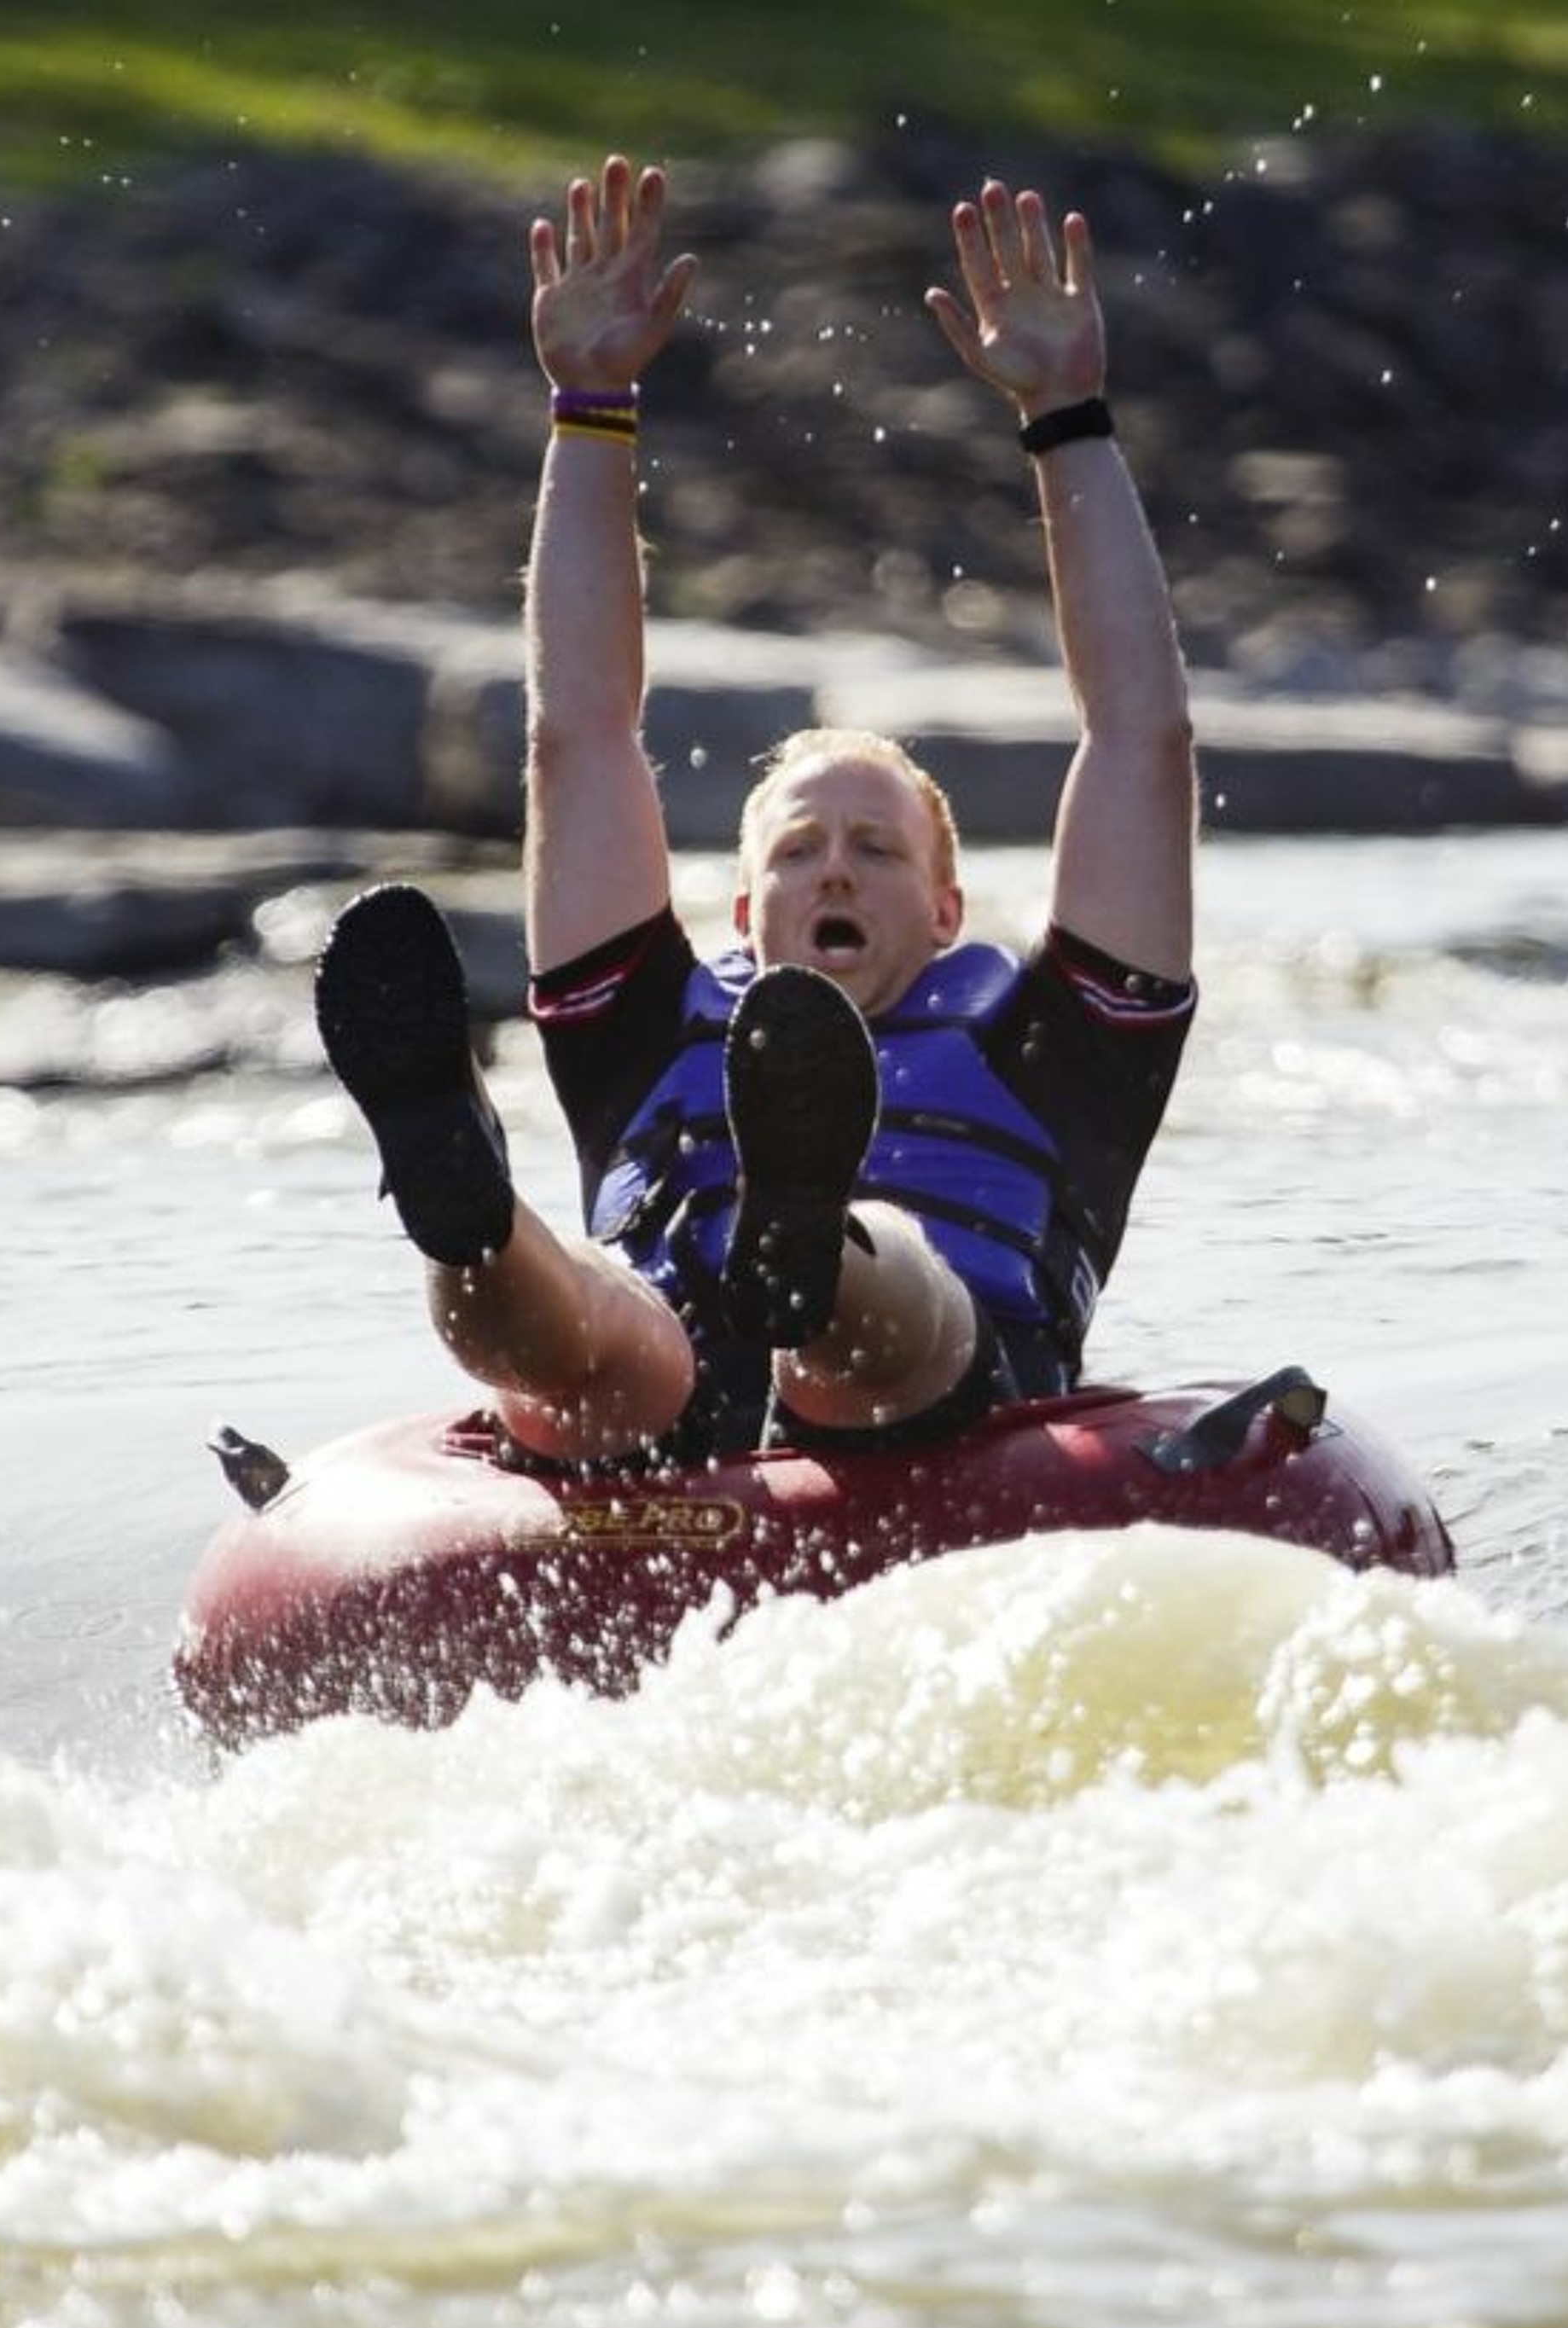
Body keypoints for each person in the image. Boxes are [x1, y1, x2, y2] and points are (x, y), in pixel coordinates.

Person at [316, 157, 1197, 1469]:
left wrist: (1069, 417)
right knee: (593, 1327)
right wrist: (588, 407)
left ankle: (811, 1239)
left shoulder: (1056, 1046)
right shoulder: (655, 1019)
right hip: (654, 1392)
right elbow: (577, 738)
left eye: (876, 848)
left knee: (883, 1295)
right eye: (797, 848)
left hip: (940, 1411)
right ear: (741, 910)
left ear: (949, 912)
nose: (833, 871)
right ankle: (464, 1203)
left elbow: (1145, 740)